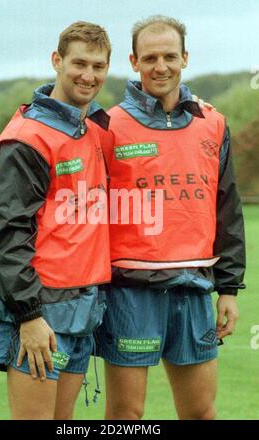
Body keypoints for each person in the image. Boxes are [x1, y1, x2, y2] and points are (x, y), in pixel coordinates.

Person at [96, 15, 246, 420]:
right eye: (150, 58)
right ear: (133, 62)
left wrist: (229, 288)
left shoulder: (212, 123)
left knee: (200, 413)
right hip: (130, 292)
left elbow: (227, 209)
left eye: (169, 56)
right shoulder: (108, 126)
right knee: (126, 417)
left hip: (194, 289)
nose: (160, 66)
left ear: (185, 58)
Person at [0, 21, 112, 420]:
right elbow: (3, 233)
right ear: (56, 61)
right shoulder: (29, 136)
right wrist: (29, 316)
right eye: (79, 63)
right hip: (40, 308)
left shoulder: (90, 129)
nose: (89, 75)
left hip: (83, 304)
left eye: (98, 66)